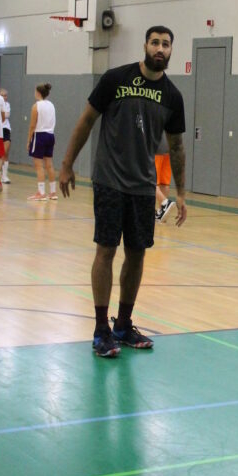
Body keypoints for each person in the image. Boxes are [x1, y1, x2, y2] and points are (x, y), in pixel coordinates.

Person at [59, 26, 187, 358]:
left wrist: (181, 193)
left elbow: (176, 147)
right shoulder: (116, 79)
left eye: (166, 44)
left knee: (137, 254)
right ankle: (101, 329)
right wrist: (67, 163)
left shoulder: (172, 96)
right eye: (155, 42)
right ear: (145, 45)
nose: (160, 48)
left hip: (143, 187)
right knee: (106, 250)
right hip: (110, 181)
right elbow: (86, 120)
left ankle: (124, 324)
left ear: (171, 51)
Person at [27, 83, 57, 201]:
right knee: (49, 165)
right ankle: (53, 192)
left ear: (38, 93)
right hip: (51, 135)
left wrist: (29, 140)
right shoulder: (51, 105)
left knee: (39, 166)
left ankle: (41, 192)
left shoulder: (36, 106)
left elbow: (32, 126)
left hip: (39, 135)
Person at [155, 132, 175, 223]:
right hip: (170, 145)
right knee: (164, 182)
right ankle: (162, 213)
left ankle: (164, 202)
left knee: (150, 181)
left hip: (157, 146)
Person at [0, 88, 11, 183]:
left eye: (5, 95)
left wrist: (2, 114)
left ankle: (4, 176)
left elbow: (7, 115)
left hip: (6, 129)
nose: (4, 97)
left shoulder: (7, 105)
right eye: (2, 95)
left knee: (5, 152)